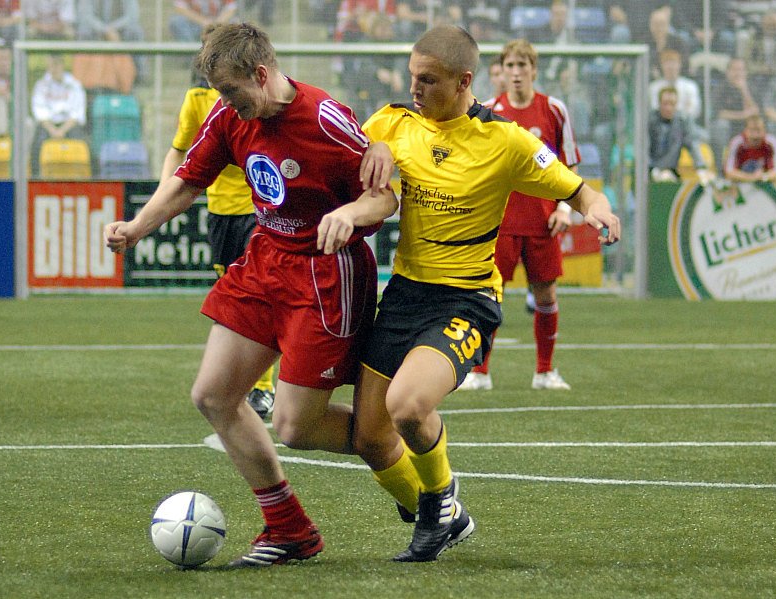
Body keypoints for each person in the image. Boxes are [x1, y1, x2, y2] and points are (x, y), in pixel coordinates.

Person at [104, 22, 397, 567]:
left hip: (325, 274)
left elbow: (384, 199)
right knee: (213, 395)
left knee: (294, 427)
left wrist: (351, 213)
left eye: (232, 91)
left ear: (261, 74)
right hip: (266, 261)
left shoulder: (326, 120)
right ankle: (289, 529)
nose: (226, 103)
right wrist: (137, 227)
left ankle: (404, 458)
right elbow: (189, 180)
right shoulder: (227, 117)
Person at [352, 25, 620, 562]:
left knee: (408, 406)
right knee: (370, 437)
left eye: (428, 80)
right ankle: (444, 513)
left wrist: (599, 210)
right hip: (404, 293)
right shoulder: (392, 121)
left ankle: (438, 503)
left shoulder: (505, 141)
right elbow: (348, 147)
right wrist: (373, 144)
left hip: (466, 300)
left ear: (464, 81)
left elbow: (578, 189)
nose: (415, 88)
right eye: (412, 76)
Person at [160, 25, 277, 419]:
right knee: (232, 295)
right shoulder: (198, 100)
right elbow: (178, 151)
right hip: (220, 212)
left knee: (258, 296)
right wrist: (164, 196)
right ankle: (246, 382)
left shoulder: (256, 96)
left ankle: (262, 388)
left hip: (257, 211)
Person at [460, 38, 581, 392]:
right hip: (501, 223)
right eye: (510, 66)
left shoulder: (554, 110)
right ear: (501, 71)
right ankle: (479, 372)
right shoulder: (488, 111)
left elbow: (569, 164)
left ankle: (545, 372)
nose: (515, 73)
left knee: (546, 296)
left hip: (543, 221)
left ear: (533, 70)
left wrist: (563, 207)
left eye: (522, 66)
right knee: (489, 296)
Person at [30, 53, 88, 177]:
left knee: (84, 145)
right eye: (50, 66)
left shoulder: (74, 84)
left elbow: (77, 113)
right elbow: (40, 112)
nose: (54, 69)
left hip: (69, 125)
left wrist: (61, 130)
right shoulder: (41, 85)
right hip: (48, 125)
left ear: (62, 65)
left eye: (56, 65)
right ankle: (35, 178)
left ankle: (83, 179)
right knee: (36, 146)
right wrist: (53, 130)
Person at [648, 86, 712, 184]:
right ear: (659, 104)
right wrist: (652, 169)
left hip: (671, 170)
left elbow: (692, 144)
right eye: (665, 104)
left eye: (672, 104)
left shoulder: (683, 121)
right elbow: (644, 148)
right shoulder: (650, 120)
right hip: (648, 170)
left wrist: (701, 168)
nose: (668, 108)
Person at [709, 57, 760, 173]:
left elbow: (756, 113)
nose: (738, 73)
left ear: (746, 72)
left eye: (741, 70)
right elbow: (719, 113)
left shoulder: (752, 88)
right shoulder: (721, 88)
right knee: (721, 126)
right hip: (728, 130)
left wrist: (744, 90)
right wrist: (744, 114)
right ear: (728, 72)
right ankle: (720, 170)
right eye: (734, 69)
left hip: (747, 129)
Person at [723, 113, 776, 182]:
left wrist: (763, 177)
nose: (755, 135)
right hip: (740, 183)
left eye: (758, 130)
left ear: (765, 131)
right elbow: (729, 172)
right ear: (745, 131)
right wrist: (751, 177)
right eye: (751, 131)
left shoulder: (771, 142)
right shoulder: (737, 142)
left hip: (765, 183)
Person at [170, 0, 238, 42]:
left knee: (234, 22)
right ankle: (189, 54)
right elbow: (180, 8)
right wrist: (203, 21)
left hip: (218, 24)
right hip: (195, 24)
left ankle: (226, 56)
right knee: (177, 22)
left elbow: (231, 8)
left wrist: (217, 23)